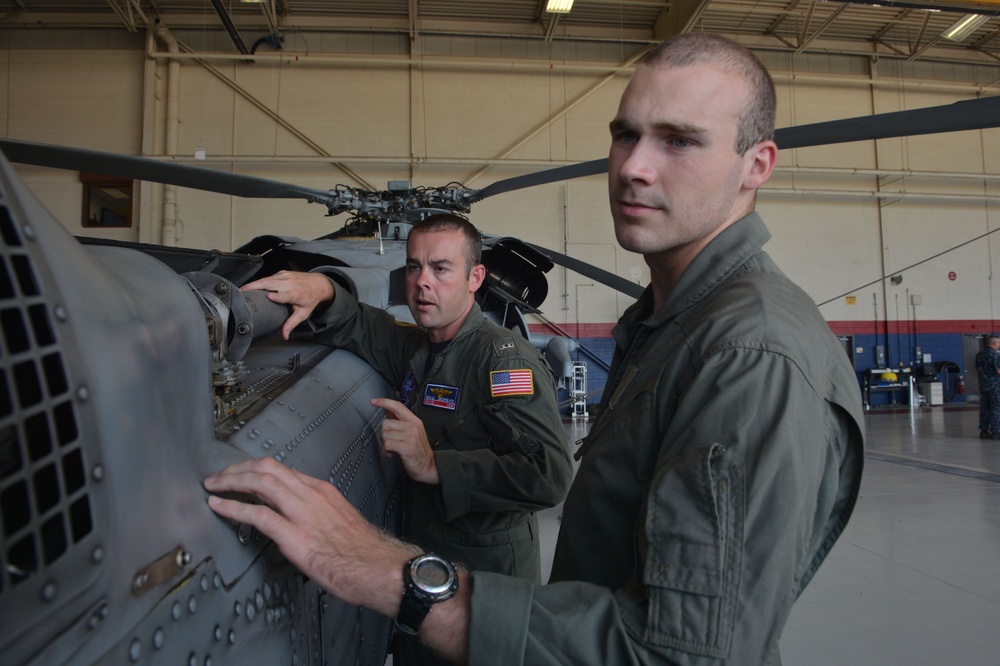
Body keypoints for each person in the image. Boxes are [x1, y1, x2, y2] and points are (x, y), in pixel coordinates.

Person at [206, 33, 865, 665]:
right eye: (625, 134)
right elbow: (379, 334)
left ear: (757, 165)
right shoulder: (665, 325)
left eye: (680, 140)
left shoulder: (751, 358)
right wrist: (327, 288)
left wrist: (385, 568)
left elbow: (682, 652)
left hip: (484, 581)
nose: (634, 167)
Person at [239, 213, 573, 665]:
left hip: (484, 589)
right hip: (423, 578)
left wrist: (435, 465)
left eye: (441, 268)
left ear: (475, 278)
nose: (422, 283)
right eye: (414, 267)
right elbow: (362, 325)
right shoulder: (421, 347)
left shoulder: (501, 360)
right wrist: (324, 289)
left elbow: (549, 476)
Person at [975, 334, 1000, 439]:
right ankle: (996, 431)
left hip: (983, 385)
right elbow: (998, 370)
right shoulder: (995, 355)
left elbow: (978, 369)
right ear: (994, 343)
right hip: (995, 386)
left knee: (985, 408)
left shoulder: (980, 354)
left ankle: (984, 431)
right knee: (996, 408)